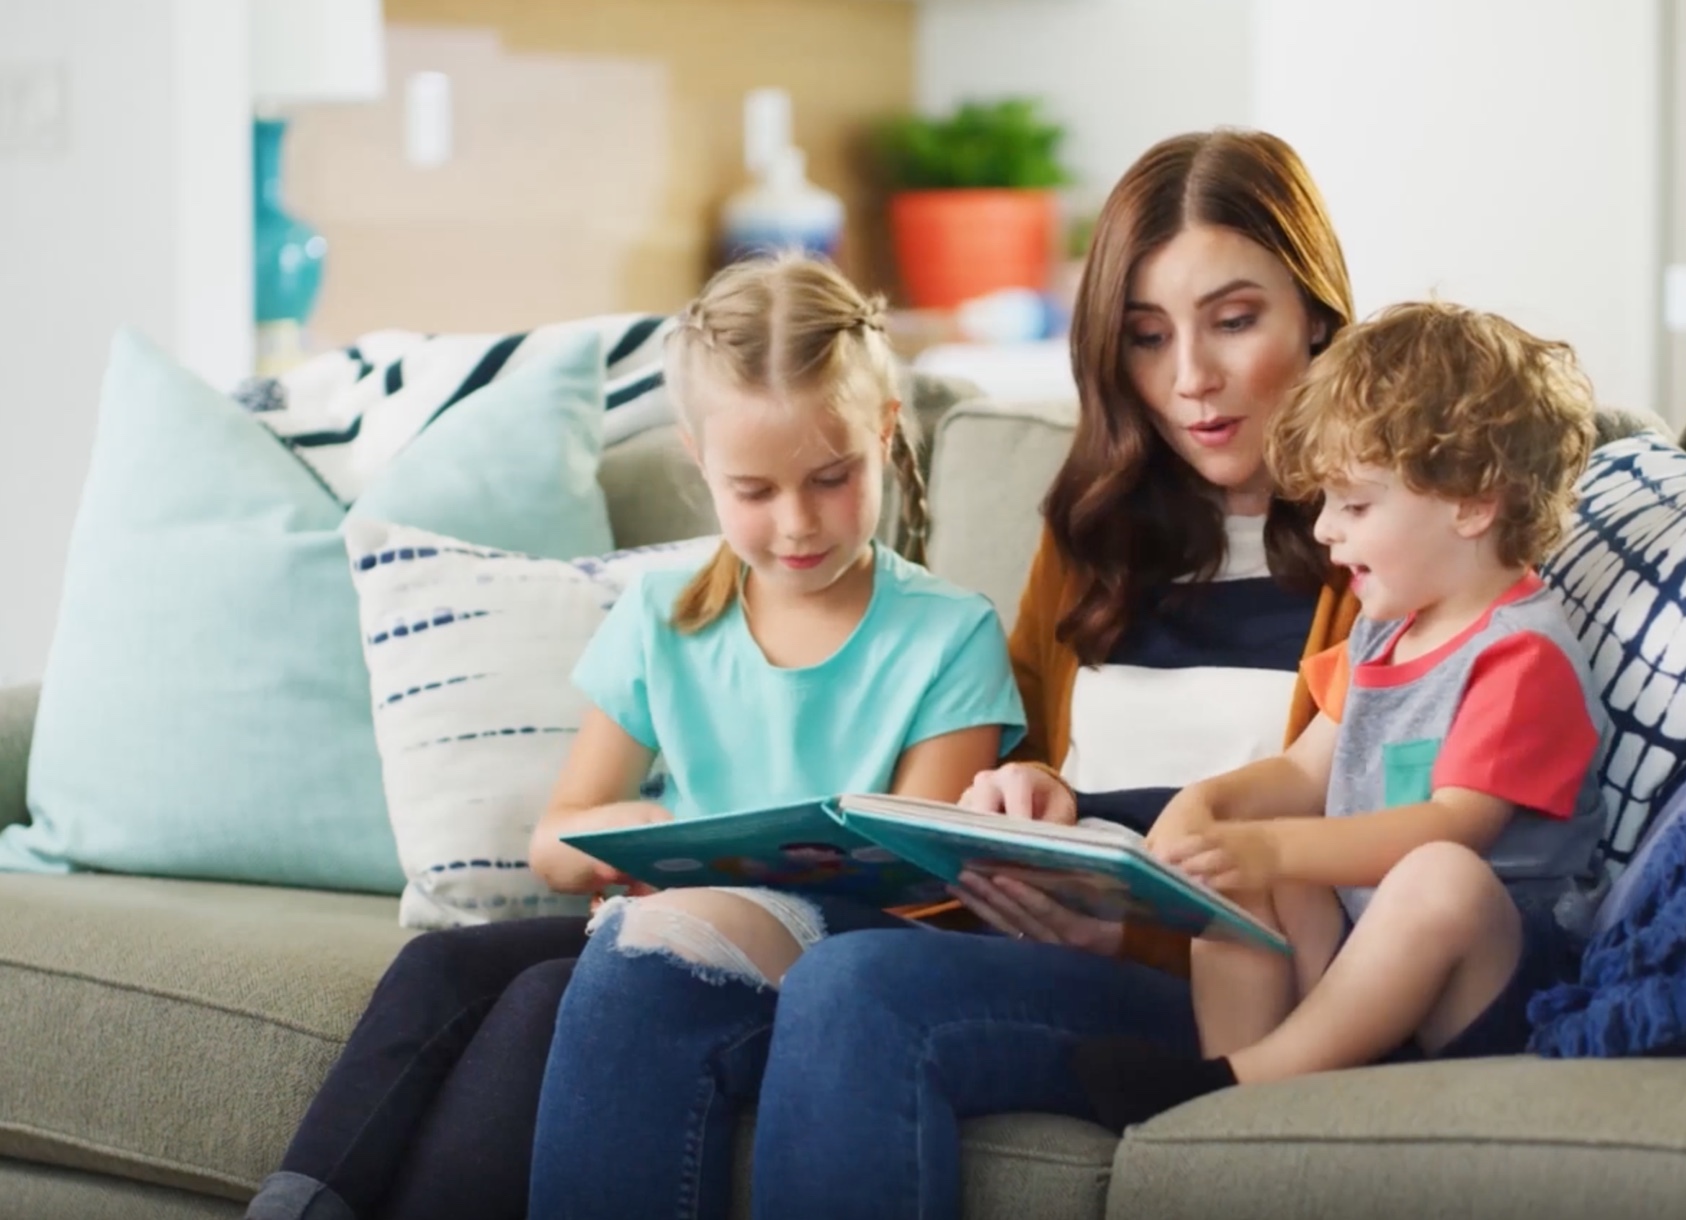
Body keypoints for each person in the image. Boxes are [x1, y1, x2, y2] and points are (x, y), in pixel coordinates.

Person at [246, 253, 1020, 1220]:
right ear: (699, 462)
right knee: (440, 968)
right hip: (658, 929)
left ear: (885, 432)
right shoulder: (666, 616)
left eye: (832, 478)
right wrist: (639, 840)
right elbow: (554, 840)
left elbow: (928, 882)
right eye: (755, 490)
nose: (796, 524)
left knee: (538, 1004)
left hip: (836, 956)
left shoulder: (949, 632)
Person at [742, 127, 1363, 1220]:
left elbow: (1354, 875)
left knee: (857, 990)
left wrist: (1123, 930)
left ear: (1312, 313)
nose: (1190, 380)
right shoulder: (1094, 533)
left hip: (1223, 984)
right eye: (1144, 336)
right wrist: (1028, 794)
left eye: (1232, 320)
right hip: (1040, 929)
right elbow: (1031, 762)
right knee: (656, 962)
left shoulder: (1382, 544)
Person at [1070, 300, 1611, 1131]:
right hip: (1364, 963)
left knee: (1439, 875)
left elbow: (1452, 827)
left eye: (1355, 506)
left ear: (1472, 504)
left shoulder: (1520, 654)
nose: (1325, 531)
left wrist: (1277, 841)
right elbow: (1299, 772)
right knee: (1241, 873)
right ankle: (1225, 1107)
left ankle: (1242, 1081)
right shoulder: (1381, 634)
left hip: (1488, 983)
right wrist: (1210, 812)